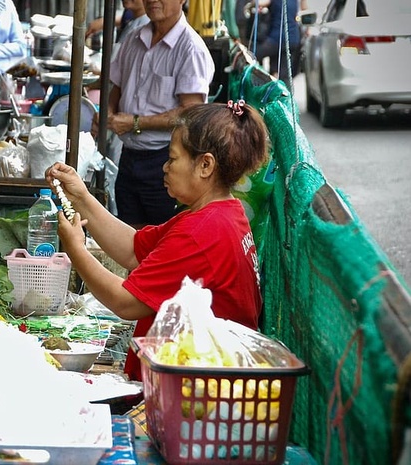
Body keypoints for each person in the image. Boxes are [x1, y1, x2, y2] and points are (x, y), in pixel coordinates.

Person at [46, 101, 269, 382]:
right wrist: (81, 198)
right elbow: (132, 249)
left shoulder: (202, 231)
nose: (165, 167)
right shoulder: (221, 213)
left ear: (205, 165)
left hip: (195, 393)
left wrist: (76, 250)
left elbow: (126, 303)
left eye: (173, 159)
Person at [103, 0, 215, 229]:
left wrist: (135, 122)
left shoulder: (190, 48)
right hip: (128, 157)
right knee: (128, 233)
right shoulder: (134, 38)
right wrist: (108, 112)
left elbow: (190, 113)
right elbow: (117, 87)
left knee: (161, 239)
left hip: (165, 161)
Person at [255, 0, 306, 82]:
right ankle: (284, 91)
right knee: (284, 74)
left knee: (252, 54)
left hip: (277, 39)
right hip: (293, 39)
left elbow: (260, 3)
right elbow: (305, 9)